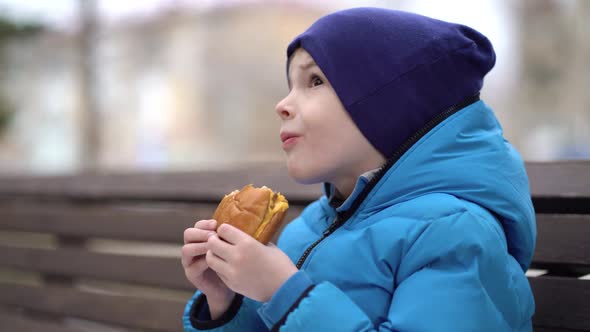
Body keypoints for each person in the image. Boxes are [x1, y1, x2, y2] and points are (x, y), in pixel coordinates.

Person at [181, 7, 536, 332]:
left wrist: (284, 293)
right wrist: (225, 302)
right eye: (289, 86)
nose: (282, 105)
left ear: (389, 105)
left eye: (315, 81)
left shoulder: (453, 233)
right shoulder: (304, 231)